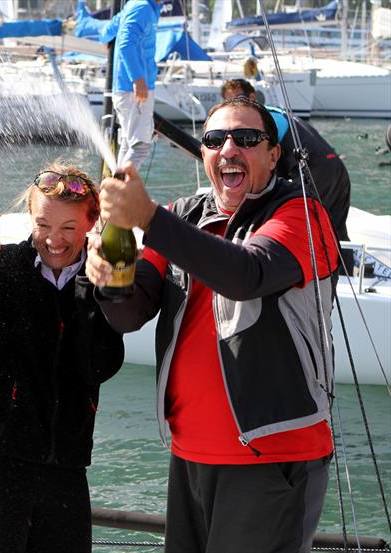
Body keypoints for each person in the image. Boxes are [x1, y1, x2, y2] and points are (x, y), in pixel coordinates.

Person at [86, 97, 338, 553]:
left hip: (272, 456)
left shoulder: (301, 215)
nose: (228, 148)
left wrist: (148, 217)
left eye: (246, 138)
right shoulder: (184, 215)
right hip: (189, 455)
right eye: (214, 139)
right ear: (203, 154)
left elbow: (246, 275)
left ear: (273, 154)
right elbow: (129, 313)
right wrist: (107, 275)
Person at [0, 163, 125, 553]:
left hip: (67, 467)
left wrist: (93, 284)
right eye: (43, 226)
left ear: (91, 225)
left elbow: (99, 365)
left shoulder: (103, 276)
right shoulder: (1, 265)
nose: (54, 240)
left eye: (69, 229)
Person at [221, 78, 352, 273]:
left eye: (239, 98)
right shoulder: (275, 113)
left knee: (306, 223)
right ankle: (344, 271)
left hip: (314, 170)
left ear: (252, 97)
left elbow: (259, 159)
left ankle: (319, 273)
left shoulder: (263, 119)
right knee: (334, 225)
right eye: (228, 101)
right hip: (334, 165)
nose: (235, 105)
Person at [98, 0, 162, 169]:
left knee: (129, 142)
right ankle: (119, 191)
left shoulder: (135, 4)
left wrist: (108, 40)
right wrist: (138, 79)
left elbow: (106, 32)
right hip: (134, 89)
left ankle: (117, 188)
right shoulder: (143, 8)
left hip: (125, 88)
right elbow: (126, 45)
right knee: (141, 146)